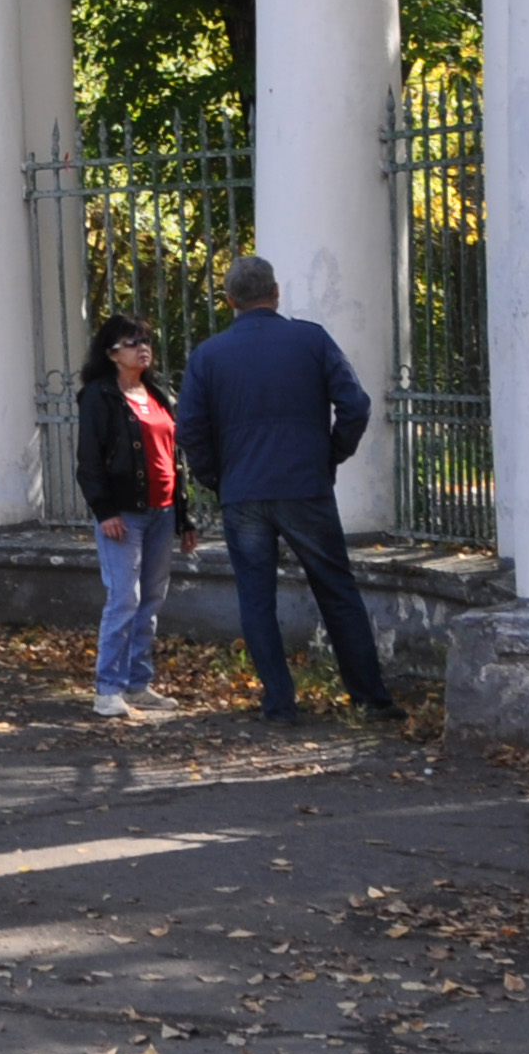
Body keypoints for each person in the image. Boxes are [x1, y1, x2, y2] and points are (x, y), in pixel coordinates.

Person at [169, 252, 399, 722]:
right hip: (304, 485)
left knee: (256, 597)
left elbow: (189, 428)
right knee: (336, 589)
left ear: (230, 301)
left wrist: (217, 476)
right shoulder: (310, 340)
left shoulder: (208, 356)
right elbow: (354, 405)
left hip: (243, 492)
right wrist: (331, 454)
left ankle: (278, 702)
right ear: (276, 294)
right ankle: (370, 698)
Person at [73, 312, 194, 720]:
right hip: (122, 514)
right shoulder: (99, 396)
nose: (143, 349)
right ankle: (107, 689)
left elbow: (175, 460)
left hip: (161, 512)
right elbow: (88, 460)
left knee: (152, 599)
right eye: (132, 342)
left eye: (146, 341)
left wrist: (184, 517)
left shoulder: (159, 395)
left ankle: (138, 684)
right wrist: (104, 510)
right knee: (125, 597)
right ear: (111, 353)